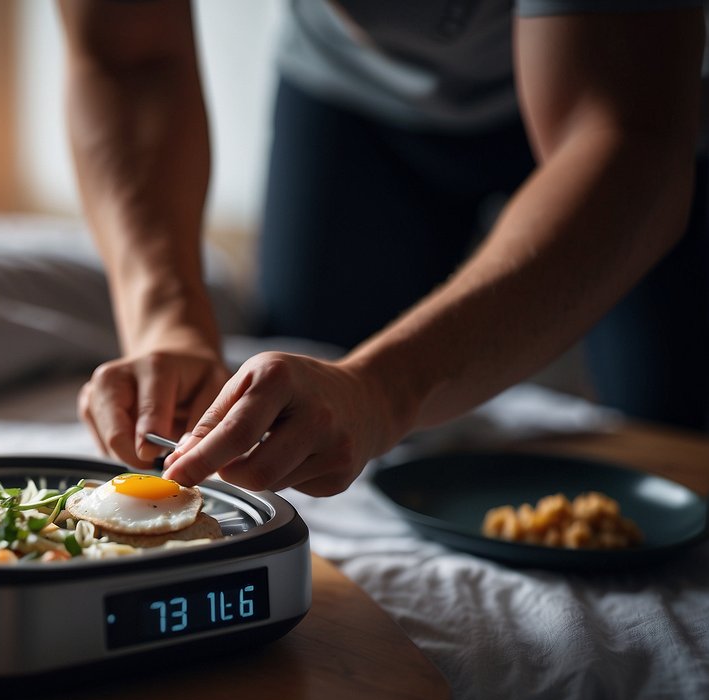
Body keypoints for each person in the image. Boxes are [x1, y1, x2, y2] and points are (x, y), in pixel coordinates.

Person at [56, 0, 707, 498]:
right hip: (352, 92)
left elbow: (623, 136)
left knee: (675, 452)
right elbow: (128, 57)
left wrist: (381, 393)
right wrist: (165, 319)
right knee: (298, 437)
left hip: (632, 88)